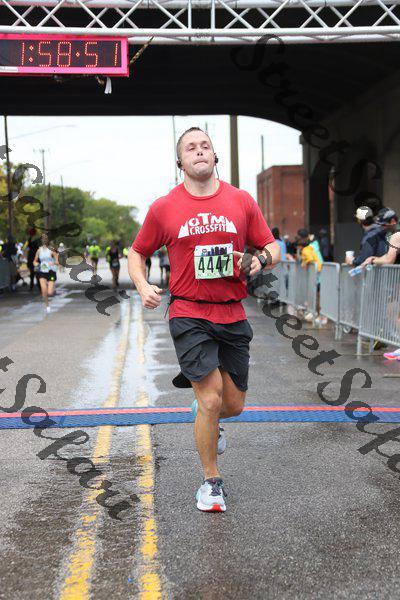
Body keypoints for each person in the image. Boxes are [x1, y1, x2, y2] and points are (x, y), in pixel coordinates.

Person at [128, 127, 280, 512]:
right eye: (190, 148)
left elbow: (272, 246)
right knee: (211, 397)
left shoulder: (241, 200)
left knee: (233, 404)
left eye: (205, 146)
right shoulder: (164, 207)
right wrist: (142, 285)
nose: (199, 151)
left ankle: (206, 416)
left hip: (232, 311)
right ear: (180, 162)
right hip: (188, 312)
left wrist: (259, 260)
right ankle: (212, 483)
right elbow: (137, 252)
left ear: (214, 156)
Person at [361, 208, 400, 361]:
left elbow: (389, 259)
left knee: (393, 313)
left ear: (393, 222)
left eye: (384, 224)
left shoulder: (396, 236)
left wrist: (373, 260)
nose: (382, 227)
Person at [33, 234, 58, 313]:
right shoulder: (39, 250)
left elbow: (57, 262)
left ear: (48, 240)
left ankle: (52, 287)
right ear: (41, 240)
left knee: (49, 292)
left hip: (51, 272)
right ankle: (47, 306)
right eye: (43, 238)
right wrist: (36, 264)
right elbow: (34, 261)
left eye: (46, 238)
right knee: (44, 290)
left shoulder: (52, 250)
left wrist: (52, 263)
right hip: (42, 272)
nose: (44, 240)